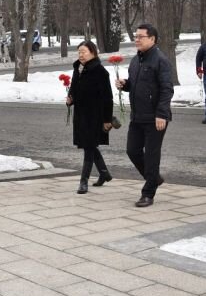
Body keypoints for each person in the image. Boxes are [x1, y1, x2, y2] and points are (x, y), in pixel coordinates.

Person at [115, 24, 174, 208]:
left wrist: (161, 114)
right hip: (137, 116)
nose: (137, 39)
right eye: (136, 36)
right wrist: (125, 84)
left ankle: (148, 193)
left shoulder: (161, 60)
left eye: (141, 36)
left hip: (155, 118)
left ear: (152, 39)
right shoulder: (136, 60)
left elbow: (166, 90)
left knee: (151, 156)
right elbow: (135, 83)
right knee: (132, 151)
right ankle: (154, 178)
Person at [66, 40, 114, 194]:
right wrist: (70, 98)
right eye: (79, 52)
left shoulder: (100, 72)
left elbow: (108, 98)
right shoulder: (78, 68)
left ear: (93, 52)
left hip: (95, 115)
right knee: (90, 145)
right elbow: (74, 88)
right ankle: (104, 173)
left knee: (89, 146)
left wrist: (107, 120)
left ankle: (83, 181)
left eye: (84, 52)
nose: (81, 55)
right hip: (81, 114)